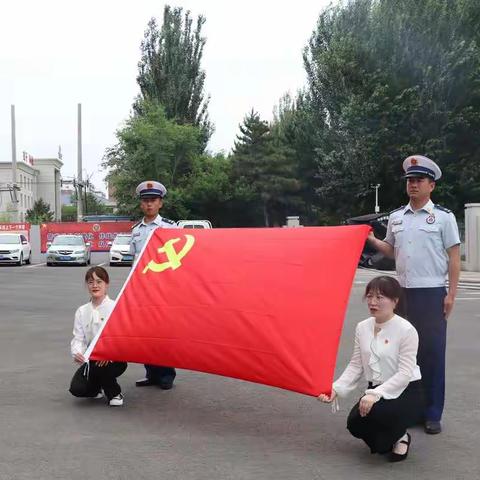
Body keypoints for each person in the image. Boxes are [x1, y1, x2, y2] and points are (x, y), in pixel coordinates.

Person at [367, 155, 461, 435]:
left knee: (431, 354)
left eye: (419, 180)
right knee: (404, 355)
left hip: (432, 292)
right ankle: (411, 408)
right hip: (402, 294)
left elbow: (454, 258)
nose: (413, 185)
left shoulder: (443, 217)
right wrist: (372, 239)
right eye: (409, 180)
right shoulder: (397, 217)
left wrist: (451, 295)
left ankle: (432, 412)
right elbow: (390, 251)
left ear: (431, 185)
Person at [319, 276, 424, 462]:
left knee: (379, 413)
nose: (373, 302)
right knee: (355, 423)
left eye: (380, 297)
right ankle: (389, 436)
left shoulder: (406, 330)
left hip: (406, 389)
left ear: (395, 301)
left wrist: (375, 394)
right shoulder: (362, 327)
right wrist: (336, 388)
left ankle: (401, 436)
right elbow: (356, 364)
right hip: (375, 388)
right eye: (369, 296)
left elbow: (405, 373)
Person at [130, 180, 178, 389]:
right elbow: (134, 260)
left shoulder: (170, 227)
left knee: (164, 331)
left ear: (160, 203)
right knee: (145, 332)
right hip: (142, 288)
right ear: (141, 204)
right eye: (146, 201)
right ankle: (151, 373)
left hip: (164, 288)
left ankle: (166, 374)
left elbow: (177, 258)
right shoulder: (136, 230)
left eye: (153, 201)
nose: (149, 204)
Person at [69, 266, 127, 407]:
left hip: (114, 359)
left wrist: (109, 354)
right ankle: (97, 388)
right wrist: (78, 353)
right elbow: (79, 338)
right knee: (77, 389)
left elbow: (123, 338)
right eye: (90, 282)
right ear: (86, 285)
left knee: (102, 367)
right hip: (92, 360)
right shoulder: (82, 311)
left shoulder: (116, 308)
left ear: (106, 284)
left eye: (99, 281)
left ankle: (114, 393)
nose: (95, 285)